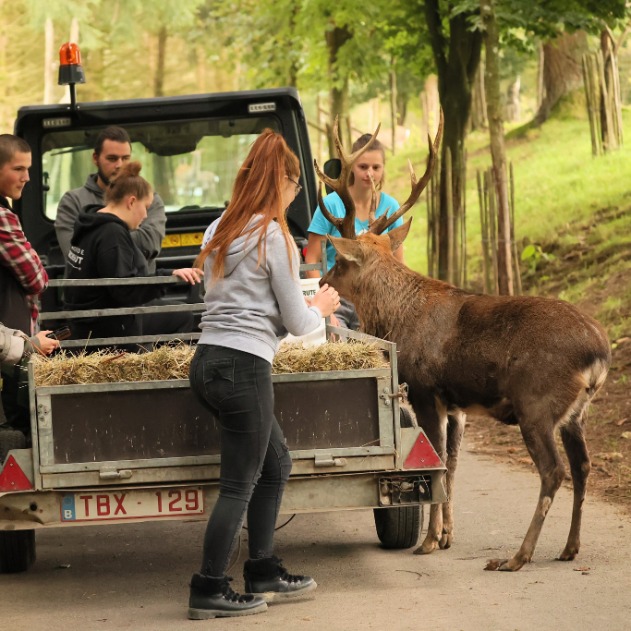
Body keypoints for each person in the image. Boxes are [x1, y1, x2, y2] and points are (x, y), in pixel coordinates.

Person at [187, 129, 340, 619]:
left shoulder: (218, 229)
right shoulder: (272, 235)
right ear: (285, 183)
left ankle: (264, 569)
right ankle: (210, 587)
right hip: (244, 367)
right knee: (239, 483)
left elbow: (230, 300)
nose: (295, 199)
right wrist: (321, 305)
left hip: (208, 360)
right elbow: (297, 323)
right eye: (295, 190)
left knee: (274, 466)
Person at [63, 161, 202, 346]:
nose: (145, 215)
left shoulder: (90, 224)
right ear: (131, 201)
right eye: (146, 206)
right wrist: (166, 278)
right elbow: (125, 291)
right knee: (183, 315)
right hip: (109, 325)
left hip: (86, 322)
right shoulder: (112, 234)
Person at [304, 133, 405, 329]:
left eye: (376, 167)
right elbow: (312, 260)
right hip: (336, 296)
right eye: (363, 167)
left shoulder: (390, 207)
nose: (370, 174)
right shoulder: (331, 205)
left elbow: (398, 264)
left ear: (383, 169)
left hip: (373, 301)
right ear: (351, 168)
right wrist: (325, 307)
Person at [55, 126, 166, 272]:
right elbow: (74, 256)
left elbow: (150, 243)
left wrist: (95, 243)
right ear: (96, 158)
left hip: (139, 290)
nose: (120, 165)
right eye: (112, 158)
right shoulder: (72, 201)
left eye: (125, 158)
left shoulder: (149, 198)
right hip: (92, 293)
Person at [0, 134, 50, 432]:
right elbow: (36, 279)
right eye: (18, 169)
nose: (27, 177)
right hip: (10, 348)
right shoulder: (3, 219)